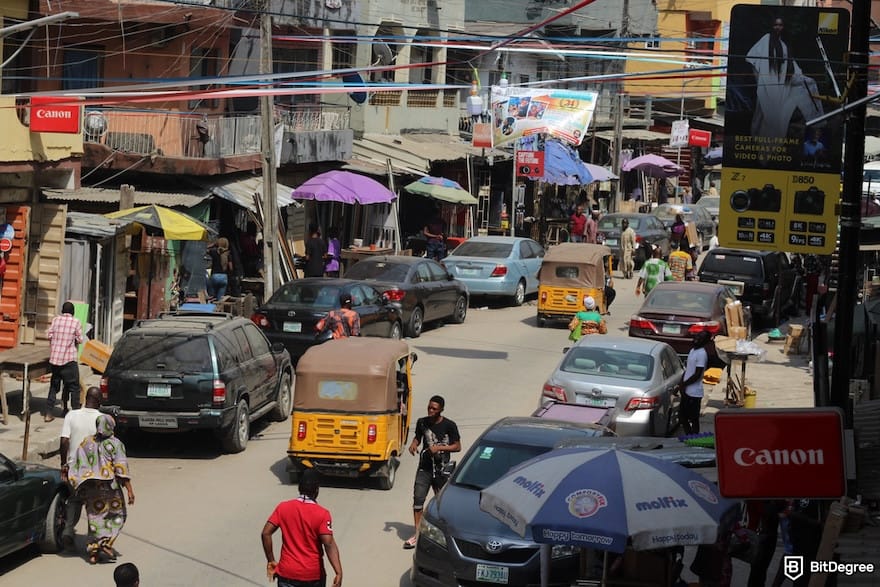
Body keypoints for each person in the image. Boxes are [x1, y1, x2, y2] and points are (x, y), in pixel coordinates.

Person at [68, 414, 135, 565]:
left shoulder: (86, 442)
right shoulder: (116, 444)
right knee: (118, 515)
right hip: (110, 488)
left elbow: (77, 463)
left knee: (95, 518)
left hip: (91, 488)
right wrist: (130, 490)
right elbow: (121, 469)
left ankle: (93, 553)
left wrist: (78, 482)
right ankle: (105, 543)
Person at [261, 469, 343, 587]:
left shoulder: (283, 507)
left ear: (299, 488)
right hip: (312, 576)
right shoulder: (322, 514)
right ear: (317, 490)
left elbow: (266, 533)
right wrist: (338, 572)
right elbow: (328, 543)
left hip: (286, 573)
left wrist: (271, 560)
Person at [746, 16, 822, 139]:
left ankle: (816, 123)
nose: (778, 27)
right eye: (775, 25)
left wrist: (798, 76)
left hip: (782, 84)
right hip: (767, 83)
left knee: (809, 83)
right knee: (762, 112)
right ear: (772, 26)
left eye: (780, 25)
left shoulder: (784, 45)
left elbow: (791, 65)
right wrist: (759, 80)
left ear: (783, 27)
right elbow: (752, 59)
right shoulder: (766, 39)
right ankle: (756, 138)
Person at [404, 395, 461, 549]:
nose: (430, 410)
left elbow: (457, 446)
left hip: (442, 470)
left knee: (441, 504)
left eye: (434, 408)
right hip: (425, 468)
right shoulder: (422, 422)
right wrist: (414, 444)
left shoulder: (449, 425)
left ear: (441, 409)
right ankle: (417, 534)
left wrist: (439, 448)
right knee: (418, 500)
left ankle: (442, 536)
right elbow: (418, 437)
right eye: (429, 407)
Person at [59, 386, 103, 550]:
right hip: (94, 471)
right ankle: (92, 540)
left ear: (86, 399)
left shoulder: (72, 415)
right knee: (93, 504)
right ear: (99, 401)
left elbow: (64, 441)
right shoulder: (101, 419)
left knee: (74, 499)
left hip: (74, 469)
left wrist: (64, 464)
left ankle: (68, 531)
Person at [46, 301, 83, 422]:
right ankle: (75, 415)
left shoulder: (56, 320)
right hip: (69, 360)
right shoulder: (76, 322)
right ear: (73, 312)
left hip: (55, 360)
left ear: (62, 311)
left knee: (53, 387)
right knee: (74, 388)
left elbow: (49, 335)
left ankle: (48, 413)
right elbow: (80, 339)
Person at [680, 330, 711, 435]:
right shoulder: (693, 350)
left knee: (693, 418)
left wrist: (684, 384)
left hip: (694, 393)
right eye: (698, 335)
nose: (697, 338)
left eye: (701, 337)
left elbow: (697, 374)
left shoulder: (701, 354)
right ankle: (689, 436)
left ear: (705, 341)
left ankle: (694, 438)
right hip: (686, 390)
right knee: (682, 417)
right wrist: (681, 383)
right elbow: (688, 370)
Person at [206, 237, 233, 301]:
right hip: (224, 277)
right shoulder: (228, 254)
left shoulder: (214, 252)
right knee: (220, 300)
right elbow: (231, 268)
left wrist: (213, 244)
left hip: (215, 275)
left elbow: (204, 249)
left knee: (211, 298)